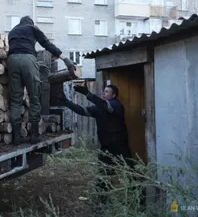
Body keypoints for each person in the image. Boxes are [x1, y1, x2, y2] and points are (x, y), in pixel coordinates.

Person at [7, 16, 76, 145]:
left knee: (16, 99)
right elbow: (46, 44)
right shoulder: (32, 28)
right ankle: (34, 135)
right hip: (28, 59)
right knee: (34, 96)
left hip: (11, 60)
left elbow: (16, 47)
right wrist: (65, 59)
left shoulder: (12, 32)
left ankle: (17, 137)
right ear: (30, 23)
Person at [56, 82, 134, 191]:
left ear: (114, 95)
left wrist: (87, 94)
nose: (103, 93)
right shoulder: (99, 108)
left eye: (107, 91)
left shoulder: (116, 105)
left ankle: (138, 194)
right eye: (104, 91)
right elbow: (82, 110)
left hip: (119, 144)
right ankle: (102, 198)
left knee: (130, 169)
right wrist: (66, 102)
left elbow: (105, 106)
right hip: (106, 145)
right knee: (103, 172)